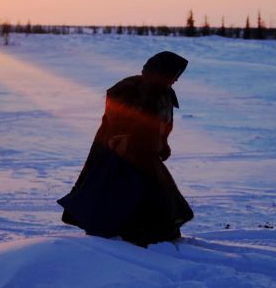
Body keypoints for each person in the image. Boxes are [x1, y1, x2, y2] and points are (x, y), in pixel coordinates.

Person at [57, 51, 193, 247]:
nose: (175, 81)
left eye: (177, 77)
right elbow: (117, 121)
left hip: (146, 153)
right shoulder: (129, 89)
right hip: (121, 153)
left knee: (158, 195)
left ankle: (153, 235)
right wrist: (123, 146)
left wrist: (162, 143)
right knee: (120, 192)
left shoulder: (163, 93)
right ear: (159, 71)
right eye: (173, 76)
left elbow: (162, 123)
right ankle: (124, 236)